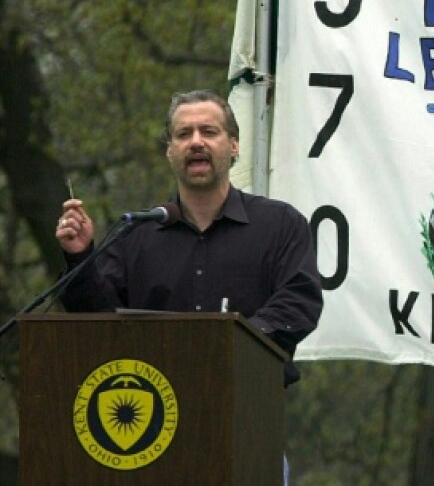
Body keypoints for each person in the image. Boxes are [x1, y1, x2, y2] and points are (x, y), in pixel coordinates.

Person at [55, 89, 324, 386]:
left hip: (247, 401)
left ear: (234, 146)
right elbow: (96, 318)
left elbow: (299, 302)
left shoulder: (280, 225)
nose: (196, 142)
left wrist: (236, 341)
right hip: (153, 410)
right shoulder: (134, 234)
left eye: (209, 132)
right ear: (170, 151)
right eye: (184, 134)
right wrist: (80, 256)